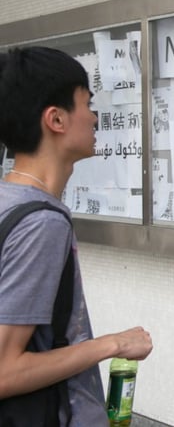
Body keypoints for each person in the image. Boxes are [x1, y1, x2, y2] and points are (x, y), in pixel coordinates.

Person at [0, 46, 153, 425]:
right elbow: (4, 370)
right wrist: (112, 344)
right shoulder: (42, 223)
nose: (96, 118)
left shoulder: (9, 200)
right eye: (87, 103)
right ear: (56, 119)